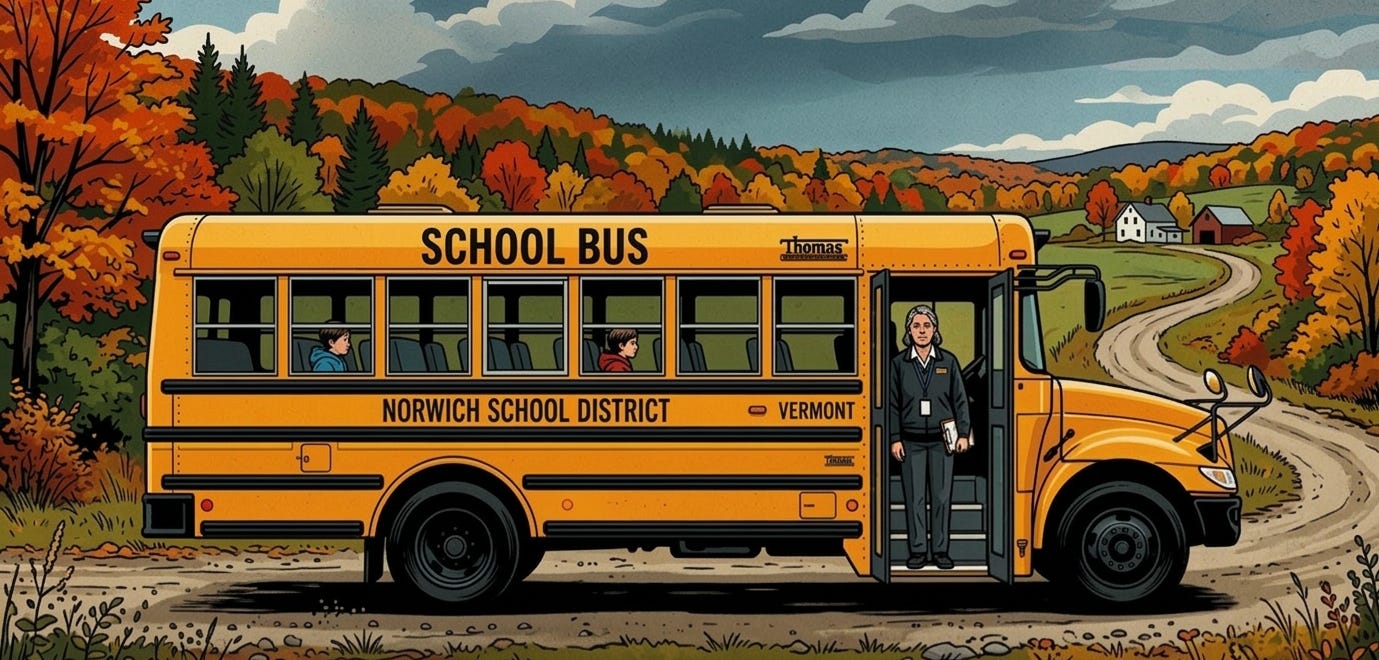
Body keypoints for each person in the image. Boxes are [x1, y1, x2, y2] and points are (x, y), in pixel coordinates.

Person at [888, 304, 971, 570]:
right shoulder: (899, 364)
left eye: (926, 326)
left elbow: (960, 401)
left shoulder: (948, 361)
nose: (922, 331)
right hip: (910, 441)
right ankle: (918, 552)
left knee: (941, 498)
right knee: (914, 499)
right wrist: (894, 438)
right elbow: (892, 404)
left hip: (941, 441)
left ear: (935, 330)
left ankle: (940, 551)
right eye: (916, 326)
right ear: (908, 331)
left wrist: (963, 434)